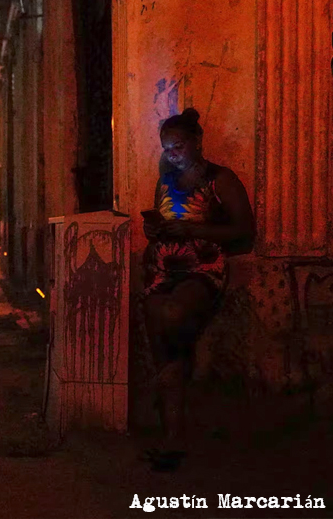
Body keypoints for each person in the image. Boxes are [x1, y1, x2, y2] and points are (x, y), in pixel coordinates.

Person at [140, 108, 255, 470]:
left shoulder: (221, 179)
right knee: (158, 324)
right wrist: (156, 231)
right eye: (166, 148)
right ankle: (172, 436)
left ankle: (176, 390)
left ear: (197, 142)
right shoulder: (165, 180)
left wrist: (192, 232)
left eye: (178, 146)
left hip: (203, 268)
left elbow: (243, 231)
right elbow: (168, 220)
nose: (172, 154)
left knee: (170, 317)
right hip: (162, 268)